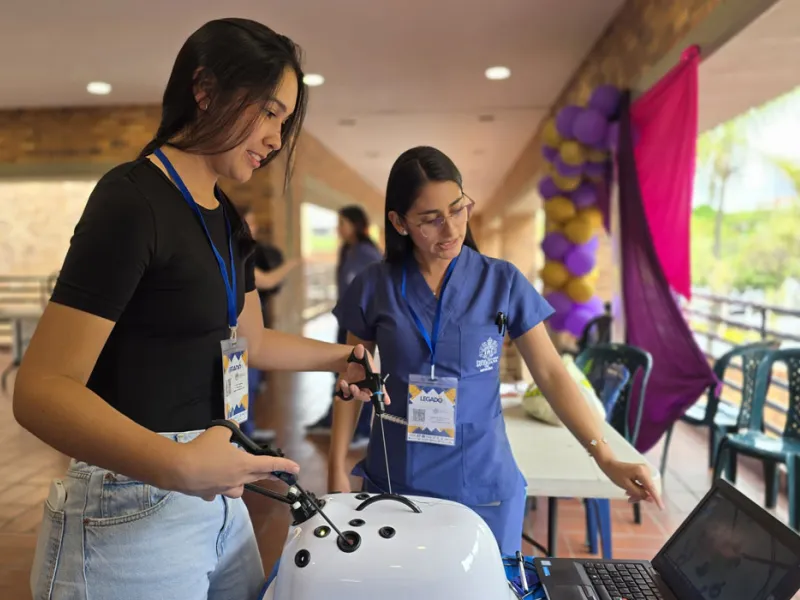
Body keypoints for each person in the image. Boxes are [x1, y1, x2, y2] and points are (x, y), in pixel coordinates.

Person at [13, 18, 384, 600]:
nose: (275, 138)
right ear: (205, 89)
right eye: (267, 112)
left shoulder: (227, 218)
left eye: (283, 122)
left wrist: (344, 357)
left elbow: (252, 341)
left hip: (216, 496)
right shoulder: (131, 201)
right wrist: (178, 465)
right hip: (130, 508)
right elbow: (39, 390)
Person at [328, 146, 663, 556]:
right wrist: (335, 465)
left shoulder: (500, 281)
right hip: (395, 484)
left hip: (482, 487)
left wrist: (606, 458)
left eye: (457, 209)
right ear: (399, 223)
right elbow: (352, 377)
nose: (450, 229)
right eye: (431, 220)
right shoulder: (373, 286)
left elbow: (552, 375)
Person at [306, 205, 382, 448]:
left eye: (342, 223)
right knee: (341, 371)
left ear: (356, 224)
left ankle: (359, 430)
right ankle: (332, 419)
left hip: (361, 324)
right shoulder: (347, 250)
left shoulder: (368, 253)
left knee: (360, 373)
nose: (338, 229)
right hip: (346, 321)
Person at [241, 208, 299, 441]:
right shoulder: (235, 254)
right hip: (238, 332)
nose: (254, 228)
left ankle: (247, 432)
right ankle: (244, 435)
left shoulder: (245, 254)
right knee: (244, 383)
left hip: (249, 329)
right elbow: (268, 280)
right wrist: (293, 263)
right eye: (250, 222)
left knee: (251, 383)